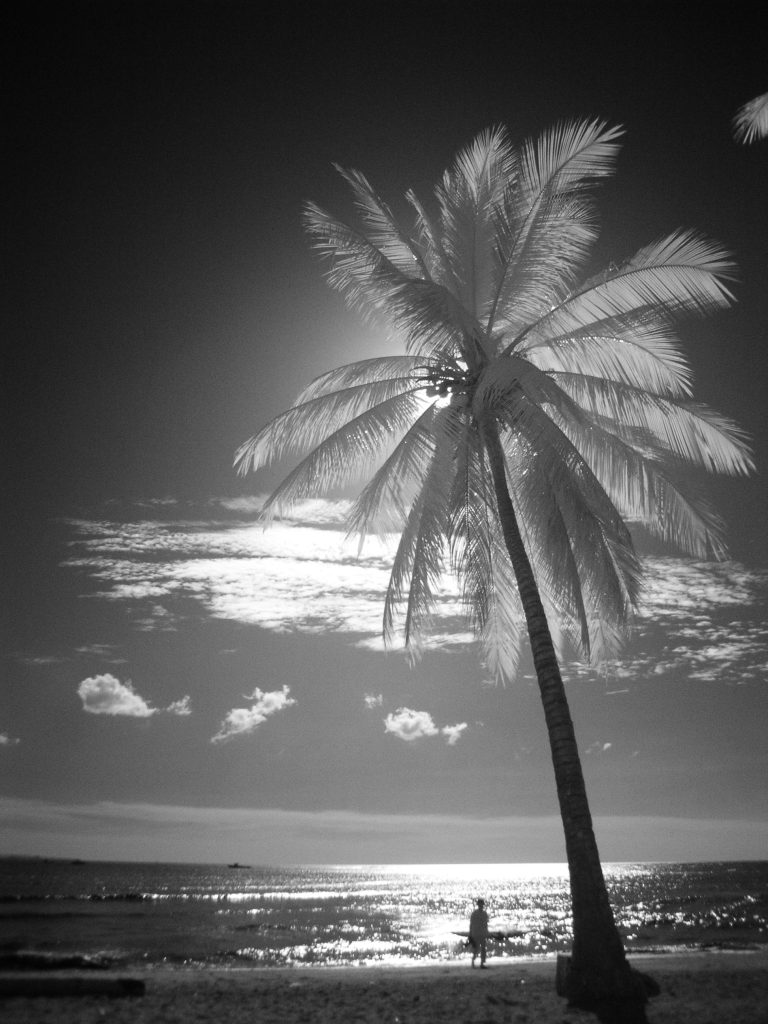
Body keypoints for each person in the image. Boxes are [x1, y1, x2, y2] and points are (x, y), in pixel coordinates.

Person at [468, 897, 489, 968]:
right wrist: (470, 933)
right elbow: (471, 924)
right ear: (478, 905)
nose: (481, 905)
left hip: (481, 933)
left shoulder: (483, 913)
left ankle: (481, 963)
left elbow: (486, 924)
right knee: (477, 949)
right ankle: (474, 962)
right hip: (476, 933)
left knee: (482, 949)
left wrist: (486, 932)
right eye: (480, 904)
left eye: (482, 904)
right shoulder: (475, 913)